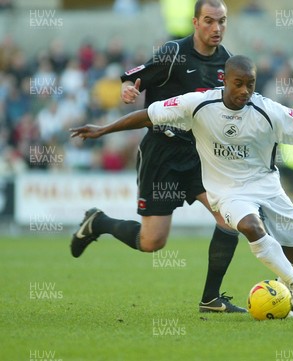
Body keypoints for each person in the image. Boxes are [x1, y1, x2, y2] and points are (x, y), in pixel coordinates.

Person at [70, 54, 293, 314]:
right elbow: (148, 115)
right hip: (227, 191)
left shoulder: (268, 110)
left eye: (250, 84)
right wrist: (103, 130)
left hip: (267, 185)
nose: (245, 91)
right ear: (225, 81)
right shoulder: (199, 104)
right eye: (238, 84)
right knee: (248, 226)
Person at [69, 0, 247, 314]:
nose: (216, 28)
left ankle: (210, 298)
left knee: (229, 219)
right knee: (152, 242)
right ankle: (98, 222)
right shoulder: (173, 53)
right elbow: (133, 78)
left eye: (222, 21)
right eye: (209, 21)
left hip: (200, 157)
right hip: (162, 154)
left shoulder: (230, 63)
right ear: (195, 22)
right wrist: (128, 90)